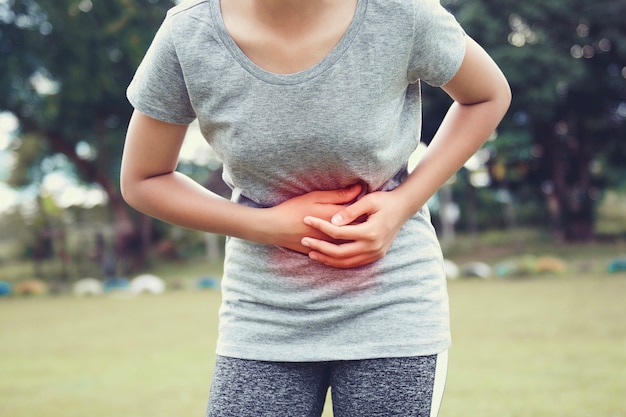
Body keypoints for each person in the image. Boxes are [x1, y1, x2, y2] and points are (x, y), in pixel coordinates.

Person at [121, 0, 511, 415]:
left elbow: (487, 95)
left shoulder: (401, 13)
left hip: (390, 308)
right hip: (265, 316)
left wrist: (401, 205)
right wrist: (267, 225)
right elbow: (144, 179)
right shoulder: (188, 33)